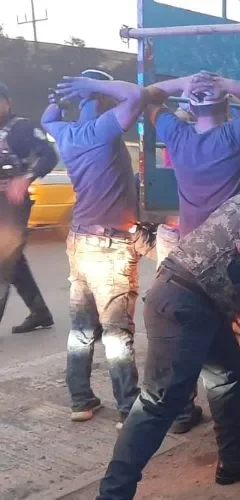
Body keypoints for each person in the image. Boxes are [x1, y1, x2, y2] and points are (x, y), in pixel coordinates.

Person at [97, 184, 240, 498]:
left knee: (228, 371)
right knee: (157, 405)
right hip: (183, 306)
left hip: (198, 299)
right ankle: (113, 494)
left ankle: (233, 461)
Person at [144, 72, 240, 433]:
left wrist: (181, 84)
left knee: (188, 339)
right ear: (227, 104)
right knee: (232, 341)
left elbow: (147, 100)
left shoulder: (178, 135)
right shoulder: (235, 135)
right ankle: (233, 419)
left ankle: (182, 412)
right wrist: (231, 83)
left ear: (188, 106)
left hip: (188, 257)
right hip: (230, 260)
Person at [43, 70, 146, 426]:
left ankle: (81, 401)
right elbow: (135, 96)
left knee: (82, 329)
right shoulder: (103, 130)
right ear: (101, 98)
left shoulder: (66, 133)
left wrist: (63, 97)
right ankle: (128, 407)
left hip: (80, 243)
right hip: (110, 248)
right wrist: (94, 86)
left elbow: (47, 118)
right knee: (117, 332)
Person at [0, 81, 57, 333]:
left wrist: (26, 178)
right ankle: (39, 312)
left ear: (7, 102)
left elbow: (49, 155)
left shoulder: (21, 127)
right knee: (13, 261)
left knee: (3, 260)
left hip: (12, 204)